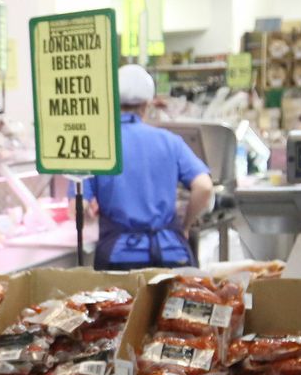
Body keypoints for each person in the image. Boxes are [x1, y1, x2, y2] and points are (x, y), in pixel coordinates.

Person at [84, 64, 214, 269]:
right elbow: (204, 187)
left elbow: (79, 208)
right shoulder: (170, 141)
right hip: (171, 252)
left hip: (119, 257)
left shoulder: (97, 145)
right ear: (147, 105)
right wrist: (185, 225)